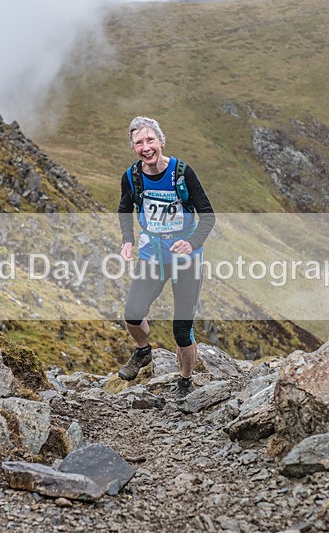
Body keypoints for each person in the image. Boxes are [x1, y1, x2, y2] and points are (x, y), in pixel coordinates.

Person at [116, 116, 216, 396]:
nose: (146, 147)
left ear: (161, 141)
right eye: (139, 143)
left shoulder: (182, 173)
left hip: (186, 261)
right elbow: (124, 209)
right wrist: (127, 241)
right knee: (132, 314)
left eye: (150, 140)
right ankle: (143, 351)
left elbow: (208, 215)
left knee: (182, 330)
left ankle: (185, 381)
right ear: (133, 147)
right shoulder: (132, 177)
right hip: (152, 256)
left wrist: (192, 243)